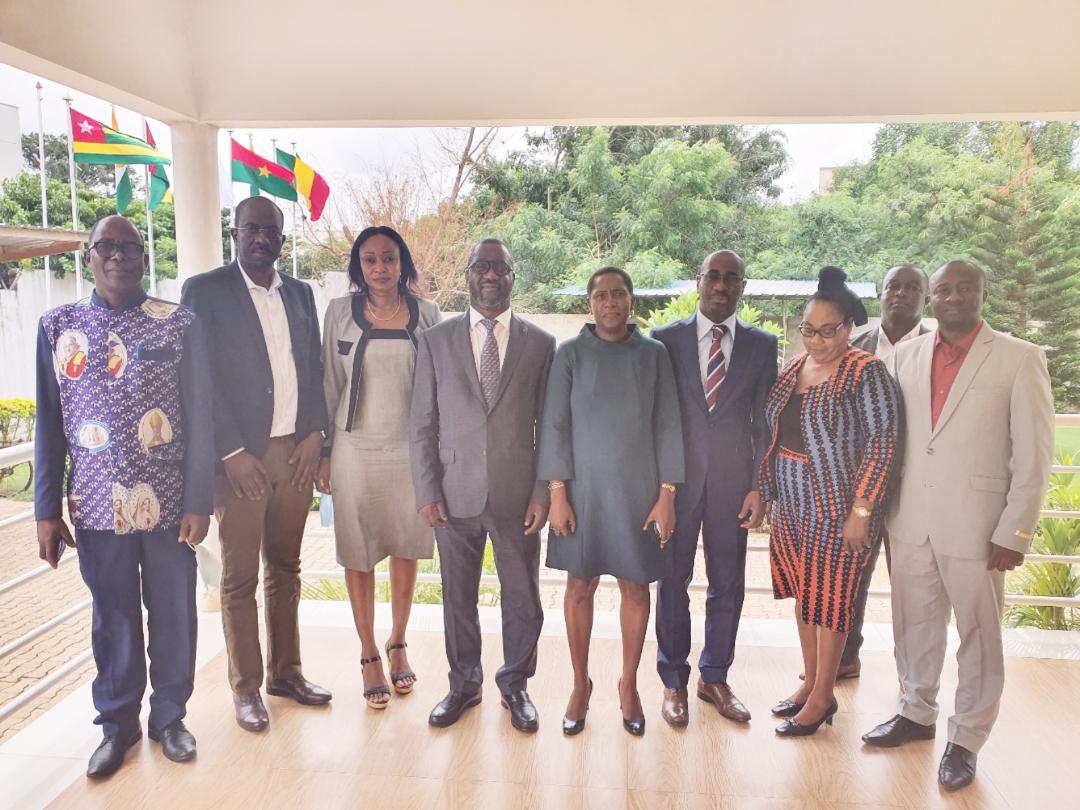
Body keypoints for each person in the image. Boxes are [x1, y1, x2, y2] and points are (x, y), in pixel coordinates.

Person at [862, 260, 1054, 791]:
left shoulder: (1020, 358)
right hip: (911, 520)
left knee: (979, 635)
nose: (951, 296)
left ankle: (966, 738)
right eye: (942, 288)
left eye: (962, 287)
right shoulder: (905, 354)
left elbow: (1034, 456)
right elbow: (897, 438)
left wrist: (1016, 530)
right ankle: (916, 712)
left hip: (980, 526)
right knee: (913, 626)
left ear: (981, 293)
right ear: (930, 297)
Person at [34, 215, 214, 778]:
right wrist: (44, 510)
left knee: (173, 613)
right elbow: (49, 425)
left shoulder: (178, 323)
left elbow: (201, 416)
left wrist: (199, 499)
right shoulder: (57, 327)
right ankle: (118, 726)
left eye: (129, 247)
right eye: (105, 247)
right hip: (92, 504)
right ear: (88, 256)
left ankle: (169, 718)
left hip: (168, 504)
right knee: (112, 618)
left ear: (143, 256)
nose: (118, 256)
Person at [181, 196, 331, 733]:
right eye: (251, 229)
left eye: (271, 231)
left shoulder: (300, 293)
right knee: (240, 577)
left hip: (294, 451)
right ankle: (246, 689)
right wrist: (229, 452)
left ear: (282, 240)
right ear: (235, 232)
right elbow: (199, 378)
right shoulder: (206, 291)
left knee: (286, 568)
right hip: (240, 458)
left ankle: (286, 674)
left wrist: (317, 434)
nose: (261, 238)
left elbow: (311, 367)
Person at [409, 239, 555, 733]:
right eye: (481, 266)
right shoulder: (434, 340)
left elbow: (548, 425)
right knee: (457, 597)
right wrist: (427, 488)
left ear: (514, 275)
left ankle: (515, 685)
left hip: (518, 498)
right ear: (468, 274)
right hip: (453, 494)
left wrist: (542, 491)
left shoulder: (541, 343)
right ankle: (463, 684)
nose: (490, 274)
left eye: (500, 266)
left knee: (522, 597)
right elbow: (421, 423)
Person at [539, 266, 684, 737]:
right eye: (601, 294)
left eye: (618, 293)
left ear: (631, 300)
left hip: (639, 492)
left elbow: (667, 424)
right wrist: (556, 493)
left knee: (636, 589)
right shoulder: (570, 354)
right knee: (579, 587)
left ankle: (629, 685)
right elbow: (554, 425)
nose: (610, 302)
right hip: (580, 492)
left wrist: (667, 494)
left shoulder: (655, 354)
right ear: (589, 303)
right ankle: (580, 685)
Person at [758, 266, 900, 737]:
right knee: (803, 593)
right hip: (791, 502)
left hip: (838, 506)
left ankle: (823, 696)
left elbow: (883, 442)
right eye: (808, 330)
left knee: (832, 600)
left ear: (849, 327)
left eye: (827, 331)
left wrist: (862, 511)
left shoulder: (866, 371)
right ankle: (809, 681)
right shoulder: (795, 366)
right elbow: (772, 432)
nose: (816, 340)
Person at [650, 250, 777, 727]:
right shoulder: (664, 339)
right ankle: (673, 680)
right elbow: (655, 418)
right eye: (714, 276)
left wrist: (758, 487)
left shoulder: (762, 346)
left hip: (732, 486)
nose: (722, 285)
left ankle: (715, 677)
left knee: (728, 583)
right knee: (672, 581)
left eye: (732, 278)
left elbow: (764, 423)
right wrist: (659, 488)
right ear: (698, 281)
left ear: (743, 286)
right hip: (675, 485)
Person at [315, 226, 441, 709]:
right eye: (370, 260)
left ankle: (398, 642)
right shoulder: (338, 313)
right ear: (358, 267)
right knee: (359, 550)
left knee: (406, 546)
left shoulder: (428, 314)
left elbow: (439, 386)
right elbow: (329, 382)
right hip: (354, 449)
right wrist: (325, 449)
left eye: (389, 258)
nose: (380, 268)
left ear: (402, 263)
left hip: (411, 450)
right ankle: (368, 652)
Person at [837, 263, 930, 679]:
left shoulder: (937, 349)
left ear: (924, 297)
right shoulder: (854, 346)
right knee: (850, 577)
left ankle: (910, 678)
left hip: (915, 487)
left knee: (911, 587)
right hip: (862, 488)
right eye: (893, 285)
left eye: (912, 287)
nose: (901, 293)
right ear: (880, 293)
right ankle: (844, 659)